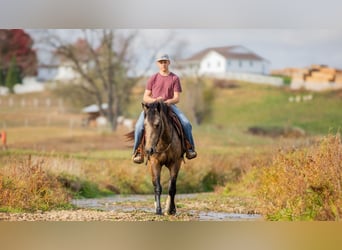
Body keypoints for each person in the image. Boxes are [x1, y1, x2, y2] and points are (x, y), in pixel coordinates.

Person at [132, 53, 197, 164]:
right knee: (139, 126)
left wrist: (167, 102)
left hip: (169, 105)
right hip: (152, 108)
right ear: (157, 64)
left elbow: (176, 98)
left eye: (165, 62)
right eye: (161, 62)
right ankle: (138, 152)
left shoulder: (174, 78)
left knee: (186, 123)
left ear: (169, 63)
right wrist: (156, 100)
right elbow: (145, 97)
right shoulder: (153, 78)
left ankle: (189, 148)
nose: (163, 64)